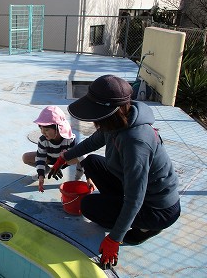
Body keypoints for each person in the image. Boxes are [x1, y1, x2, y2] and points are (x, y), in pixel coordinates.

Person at [50, 75, 180, 269]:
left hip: (157, 209)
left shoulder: (135, 142)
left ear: (109, 111)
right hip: (135, 190)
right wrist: (65, 156)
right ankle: (120, 210)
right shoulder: (117, 120)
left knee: (88, 206)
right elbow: (93, 142)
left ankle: (145, 229)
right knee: (92, 161)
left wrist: (114, 239)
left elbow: (136, 198)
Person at [22, 106, 84, 192]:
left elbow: (78, 156)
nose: (43, 132)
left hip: (65, 160)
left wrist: (59, 165)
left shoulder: (69, 139)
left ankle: (77, 179)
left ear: (58, 128)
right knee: (26, 157)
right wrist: (41, 175)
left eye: (46, 129)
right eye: (40, 128)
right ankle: (46, 170)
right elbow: (40, 158)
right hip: (50, 158)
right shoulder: (43, 140)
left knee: (82, 156)